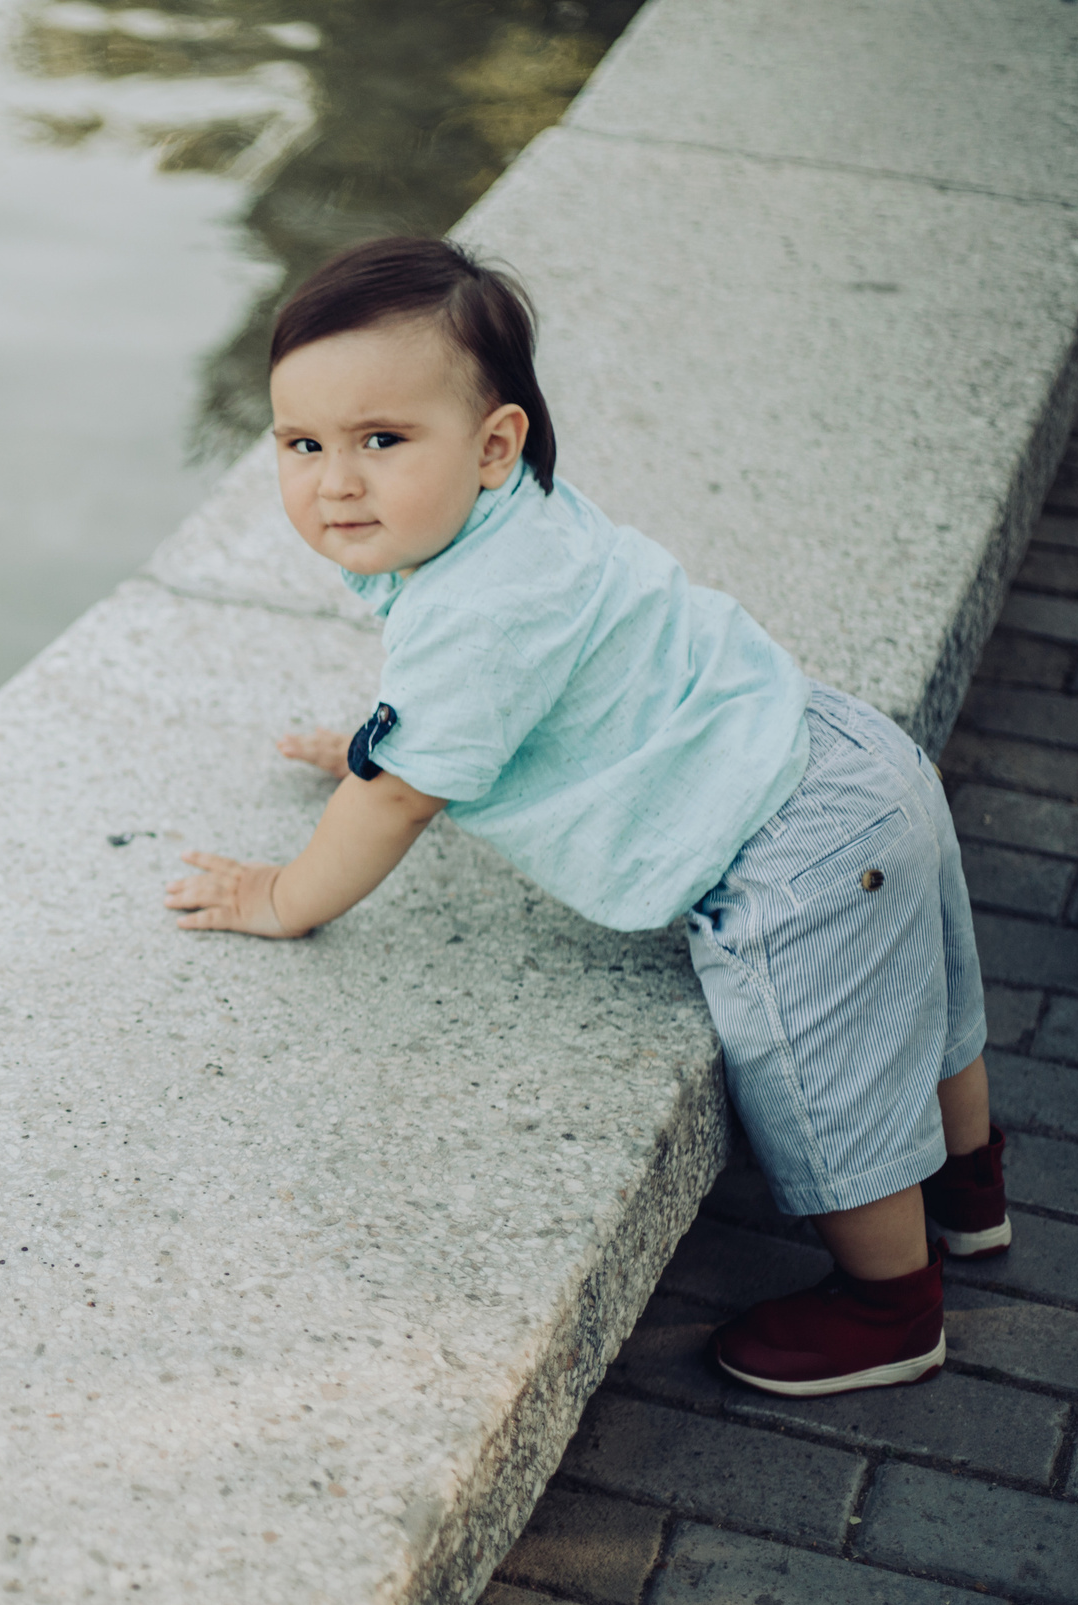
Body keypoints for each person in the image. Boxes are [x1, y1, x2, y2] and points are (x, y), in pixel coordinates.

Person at [164, 235, 1009, 1397]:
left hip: (789, 853)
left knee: (832, 1081)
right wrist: (384, 731)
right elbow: (462, 714)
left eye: (380, 441)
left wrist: (283, 896)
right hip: (845, 757)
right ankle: (970, 1191)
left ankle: (889, 1306)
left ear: (494, 442)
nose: (334, 482)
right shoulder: (522, 523)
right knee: (937, 1005)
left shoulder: (480, 609)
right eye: (302, 445)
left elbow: (405, 791)